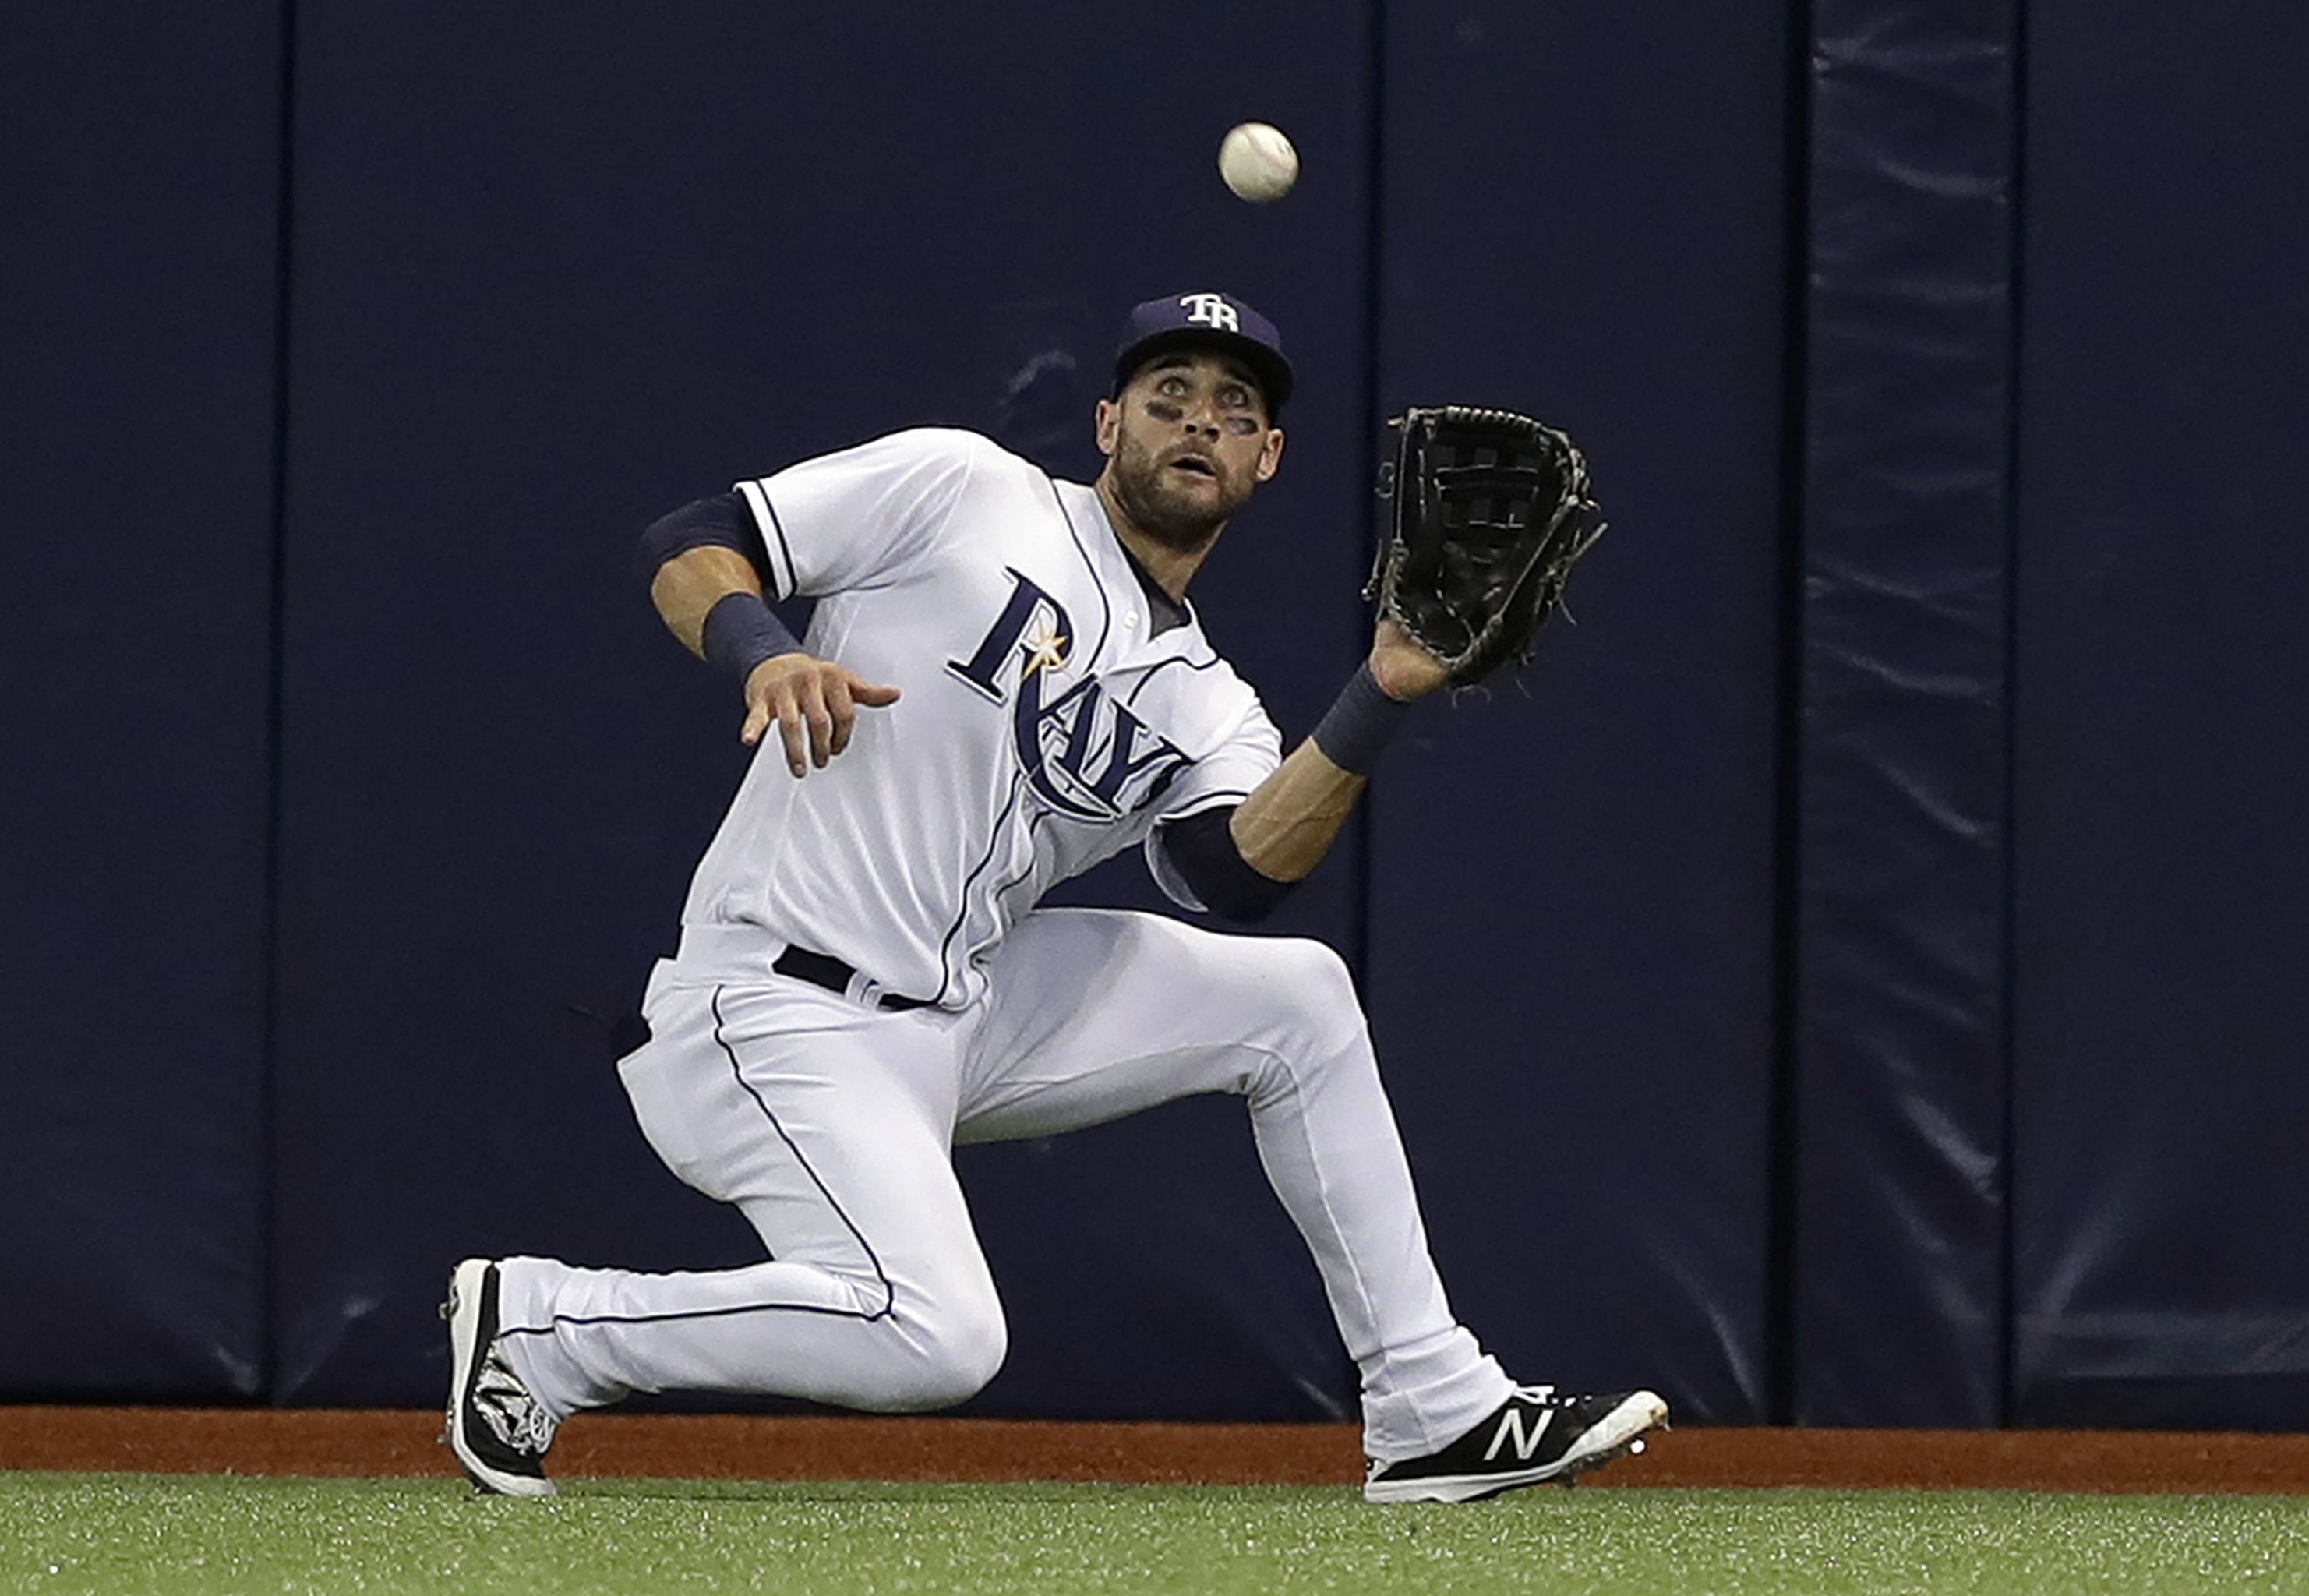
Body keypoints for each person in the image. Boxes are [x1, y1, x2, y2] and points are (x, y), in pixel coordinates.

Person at [442, 291, 1665, 1504]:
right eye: (1166, 396)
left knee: (1299, 996)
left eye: (1233, 410)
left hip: (958, 1013)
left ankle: (1434, 1411)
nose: (1198, 423)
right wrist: (766, 651)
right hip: (775, 1002)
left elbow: (1231, 875)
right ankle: (546, 1328)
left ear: (1268, 457)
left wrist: (1385, 689)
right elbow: (692, 539)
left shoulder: (1207, 698)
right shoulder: (960, 487)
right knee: (942, 1338)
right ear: (1105, 422)